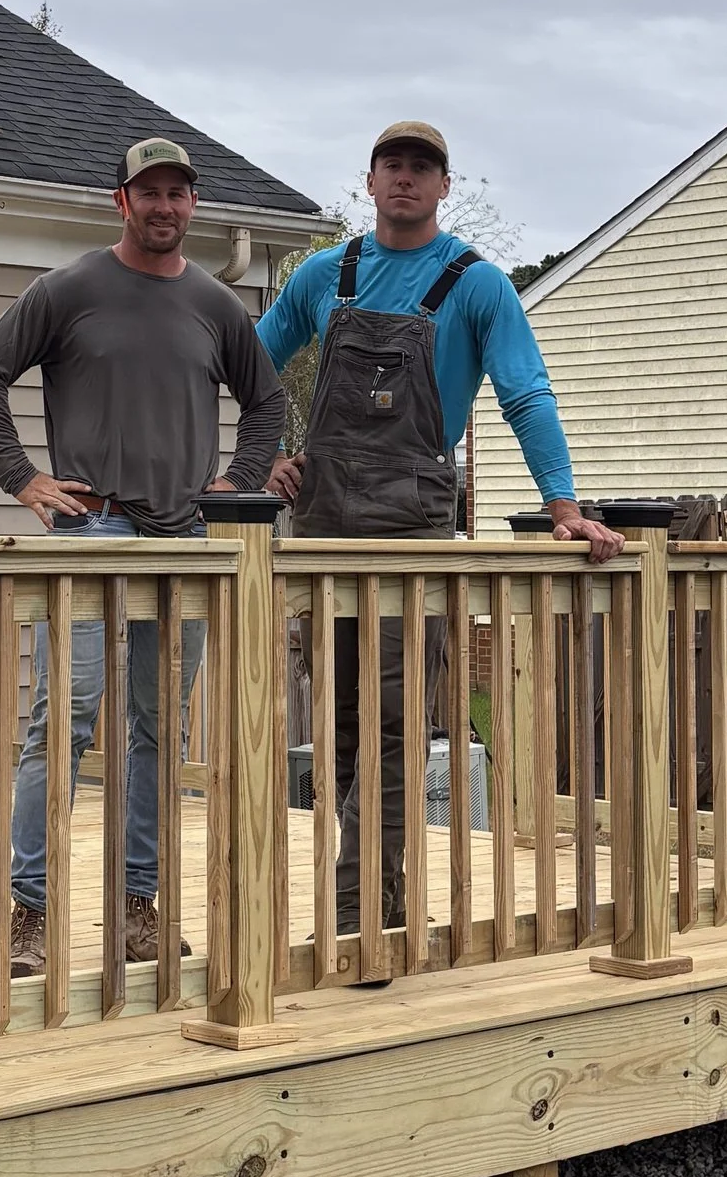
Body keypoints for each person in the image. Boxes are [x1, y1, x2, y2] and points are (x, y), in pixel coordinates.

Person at [257, 120, 622, 934]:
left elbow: (526, 393)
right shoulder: (326, 274)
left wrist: (563, 504)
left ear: (444, 186)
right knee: (339, 720)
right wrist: (259, 461)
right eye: (393, 166)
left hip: (413, 528)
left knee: (392, 717)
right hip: (321, 527)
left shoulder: (475, 284)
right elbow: (248, 366)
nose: (406, 180)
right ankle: (376, 898)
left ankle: (357, 913)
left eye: (423, 169)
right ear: (370, 178)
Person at [0, 137, 286, 974]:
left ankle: (139, 909)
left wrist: (238, 483)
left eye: (179, 193)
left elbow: (268, 400)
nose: (165, 206)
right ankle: (30, 915)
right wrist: (23, 478)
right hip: (93, 528)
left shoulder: (215, 305)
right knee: (60, 721)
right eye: (150, 192)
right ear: (121, 202)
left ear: (192, 205)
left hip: (183, 539)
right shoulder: (69, 291)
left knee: (156, 727)